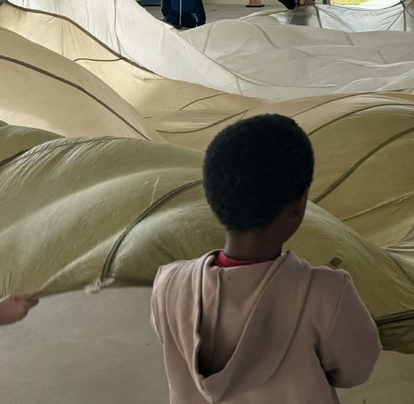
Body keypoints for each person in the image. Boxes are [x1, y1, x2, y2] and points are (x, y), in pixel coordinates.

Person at [151, 114, 381, 403]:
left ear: (212, 198)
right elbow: (357, 370)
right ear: (299, 205)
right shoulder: (326, 295)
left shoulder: (169, 284)